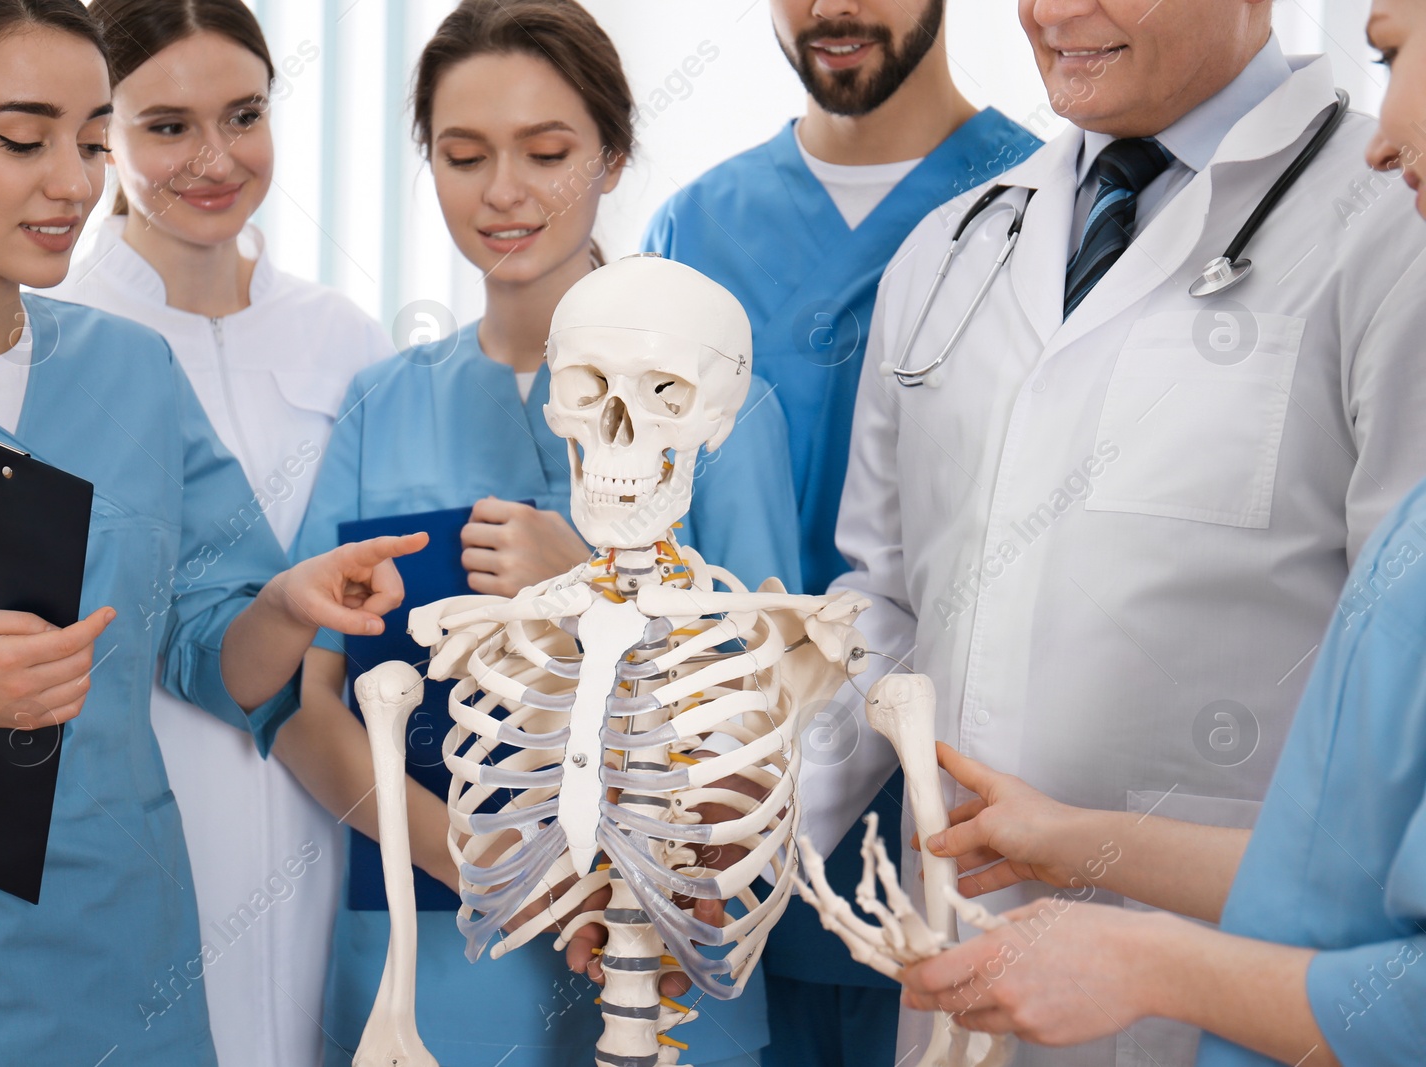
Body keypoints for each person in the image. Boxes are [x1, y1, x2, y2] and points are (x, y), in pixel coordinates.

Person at [810, 1, 1426, 1064]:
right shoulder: (953, 248)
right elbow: (891, 600)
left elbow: (1399, 684)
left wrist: (1146, 928)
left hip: (1239, 987)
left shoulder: (1389, 226)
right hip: (961, 953)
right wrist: (738, 838)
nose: (1052, 12)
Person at [0, 3, 429, 1064]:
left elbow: (212, 652)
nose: (73, 181)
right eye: (23, 139)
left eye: (94, 139)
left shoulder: (129, 370)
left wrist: (284, 605)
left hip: (123, 966)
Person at [289, 2, 801, 1064]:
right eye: (463, 154)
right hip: (429, 973)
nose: (503, 192)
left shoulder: (718, 405)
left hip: (659, 966)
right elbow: (308, 710)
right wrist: (495, 866)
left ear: (614, 155)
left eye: (548, 151)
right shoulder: (383, 401)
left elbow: (772, 714)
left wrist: (591, 580)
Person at [642, 2, 1041, 1060]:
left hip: (951, 832)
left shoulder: (1038, 210)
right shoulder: (694, 229)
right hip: (712, 837)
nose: (831, 8)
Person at [48, 3, 392, 1064]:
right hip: (143, 802)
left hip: (333, 798)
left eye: (243, 115)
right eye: (165, 126)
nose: (214, 159)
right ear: (103, 134)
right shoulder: (54, 329)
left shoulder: (345, 336)